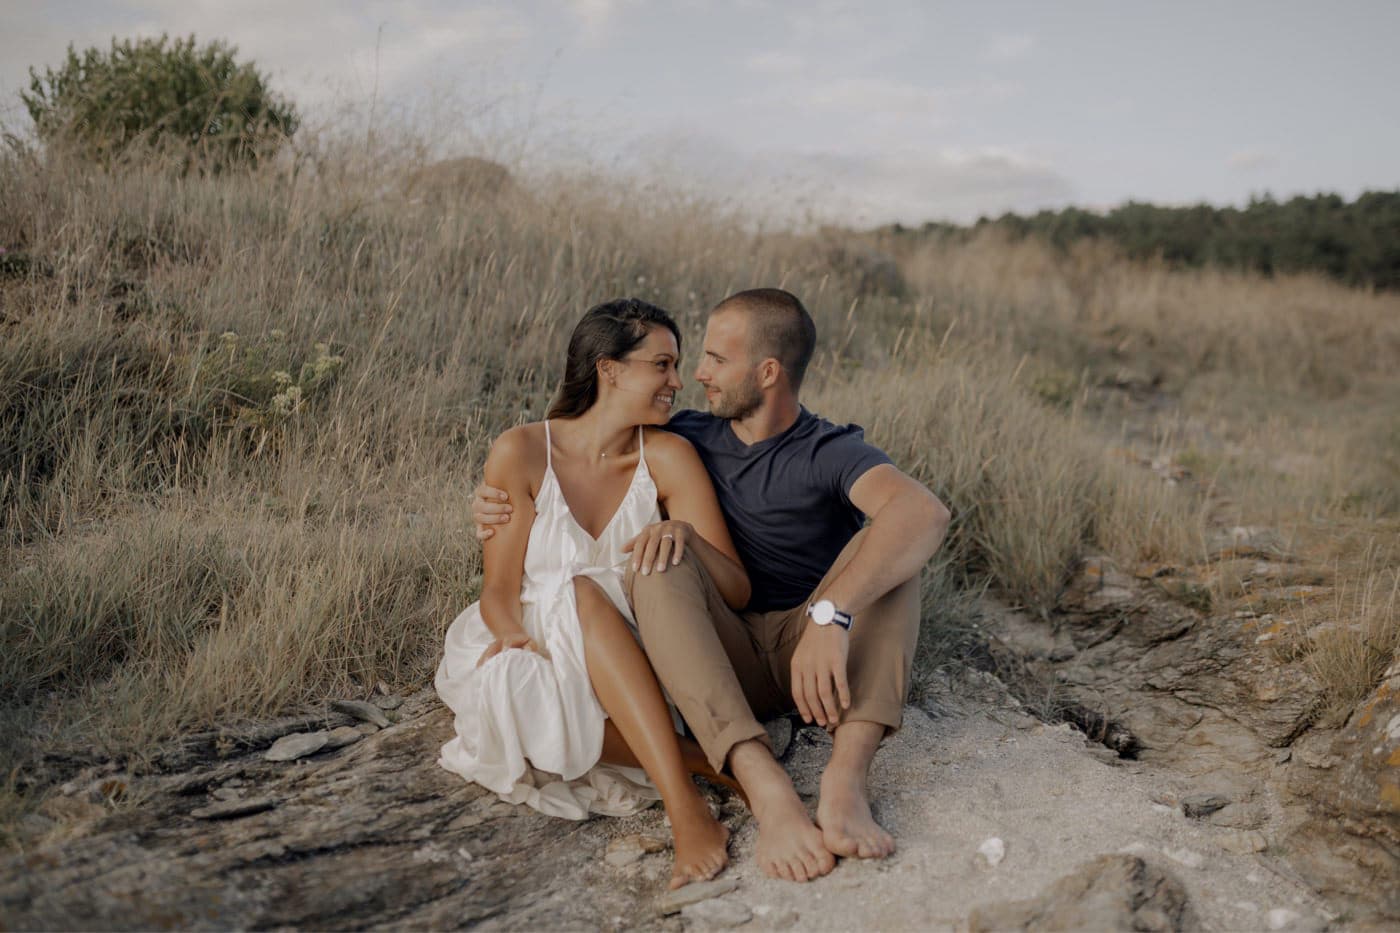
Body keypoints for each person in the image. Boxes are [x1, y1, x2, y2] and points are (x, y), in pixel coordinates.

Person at [475, 288, 951, 883]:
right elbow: (560, 472)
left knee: (893, 549)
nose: (693, 377)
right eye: (675, 363)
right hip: (718, 656)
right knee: (660, 555)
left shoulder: (826, 450)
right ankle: (761, 783)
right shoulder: (686, 433)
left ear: (767, 371)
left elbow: (922, 513)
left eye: (713, 360)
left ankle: (844, 781)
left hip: (816, 652)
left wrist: (831, 617)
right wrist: (492, 505)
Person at [436, 298, 750, 890]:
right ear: (610, 369)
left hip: (641, 651)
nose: (677, 381)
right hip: (545, 639)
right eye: (662, 364)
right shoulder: (523, 450)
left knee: (581, 589)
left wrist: (683, 533)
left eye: (676, 366)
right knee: (507, 679)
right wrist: (514, 640)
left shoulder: (668, 456)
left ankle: (688, 812)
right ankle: (706, 767)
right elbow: (499, 591)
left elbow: (734, 589)